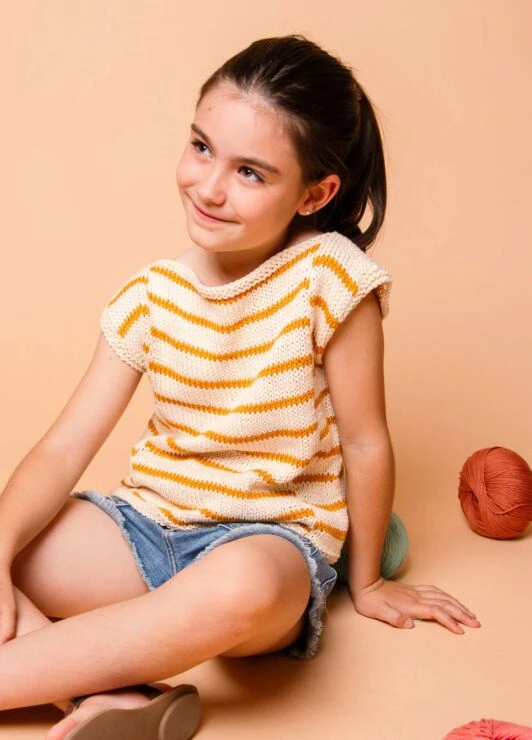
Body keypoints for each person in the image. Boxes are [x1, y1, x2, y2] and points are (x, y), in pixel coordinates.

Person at [0, 34, 481, 740]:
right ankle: (113, 699)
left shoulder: (330, 278)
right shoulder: (147, 297)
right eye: (202, 148)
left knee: (238, 587)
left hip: (269, 545)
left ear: (314, 193)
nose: (209, 187)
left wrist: (369, 581)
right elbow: (64, 448)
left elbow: (365, 441)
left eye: (250, 172)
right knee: (9, 536)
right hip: (146, 530)